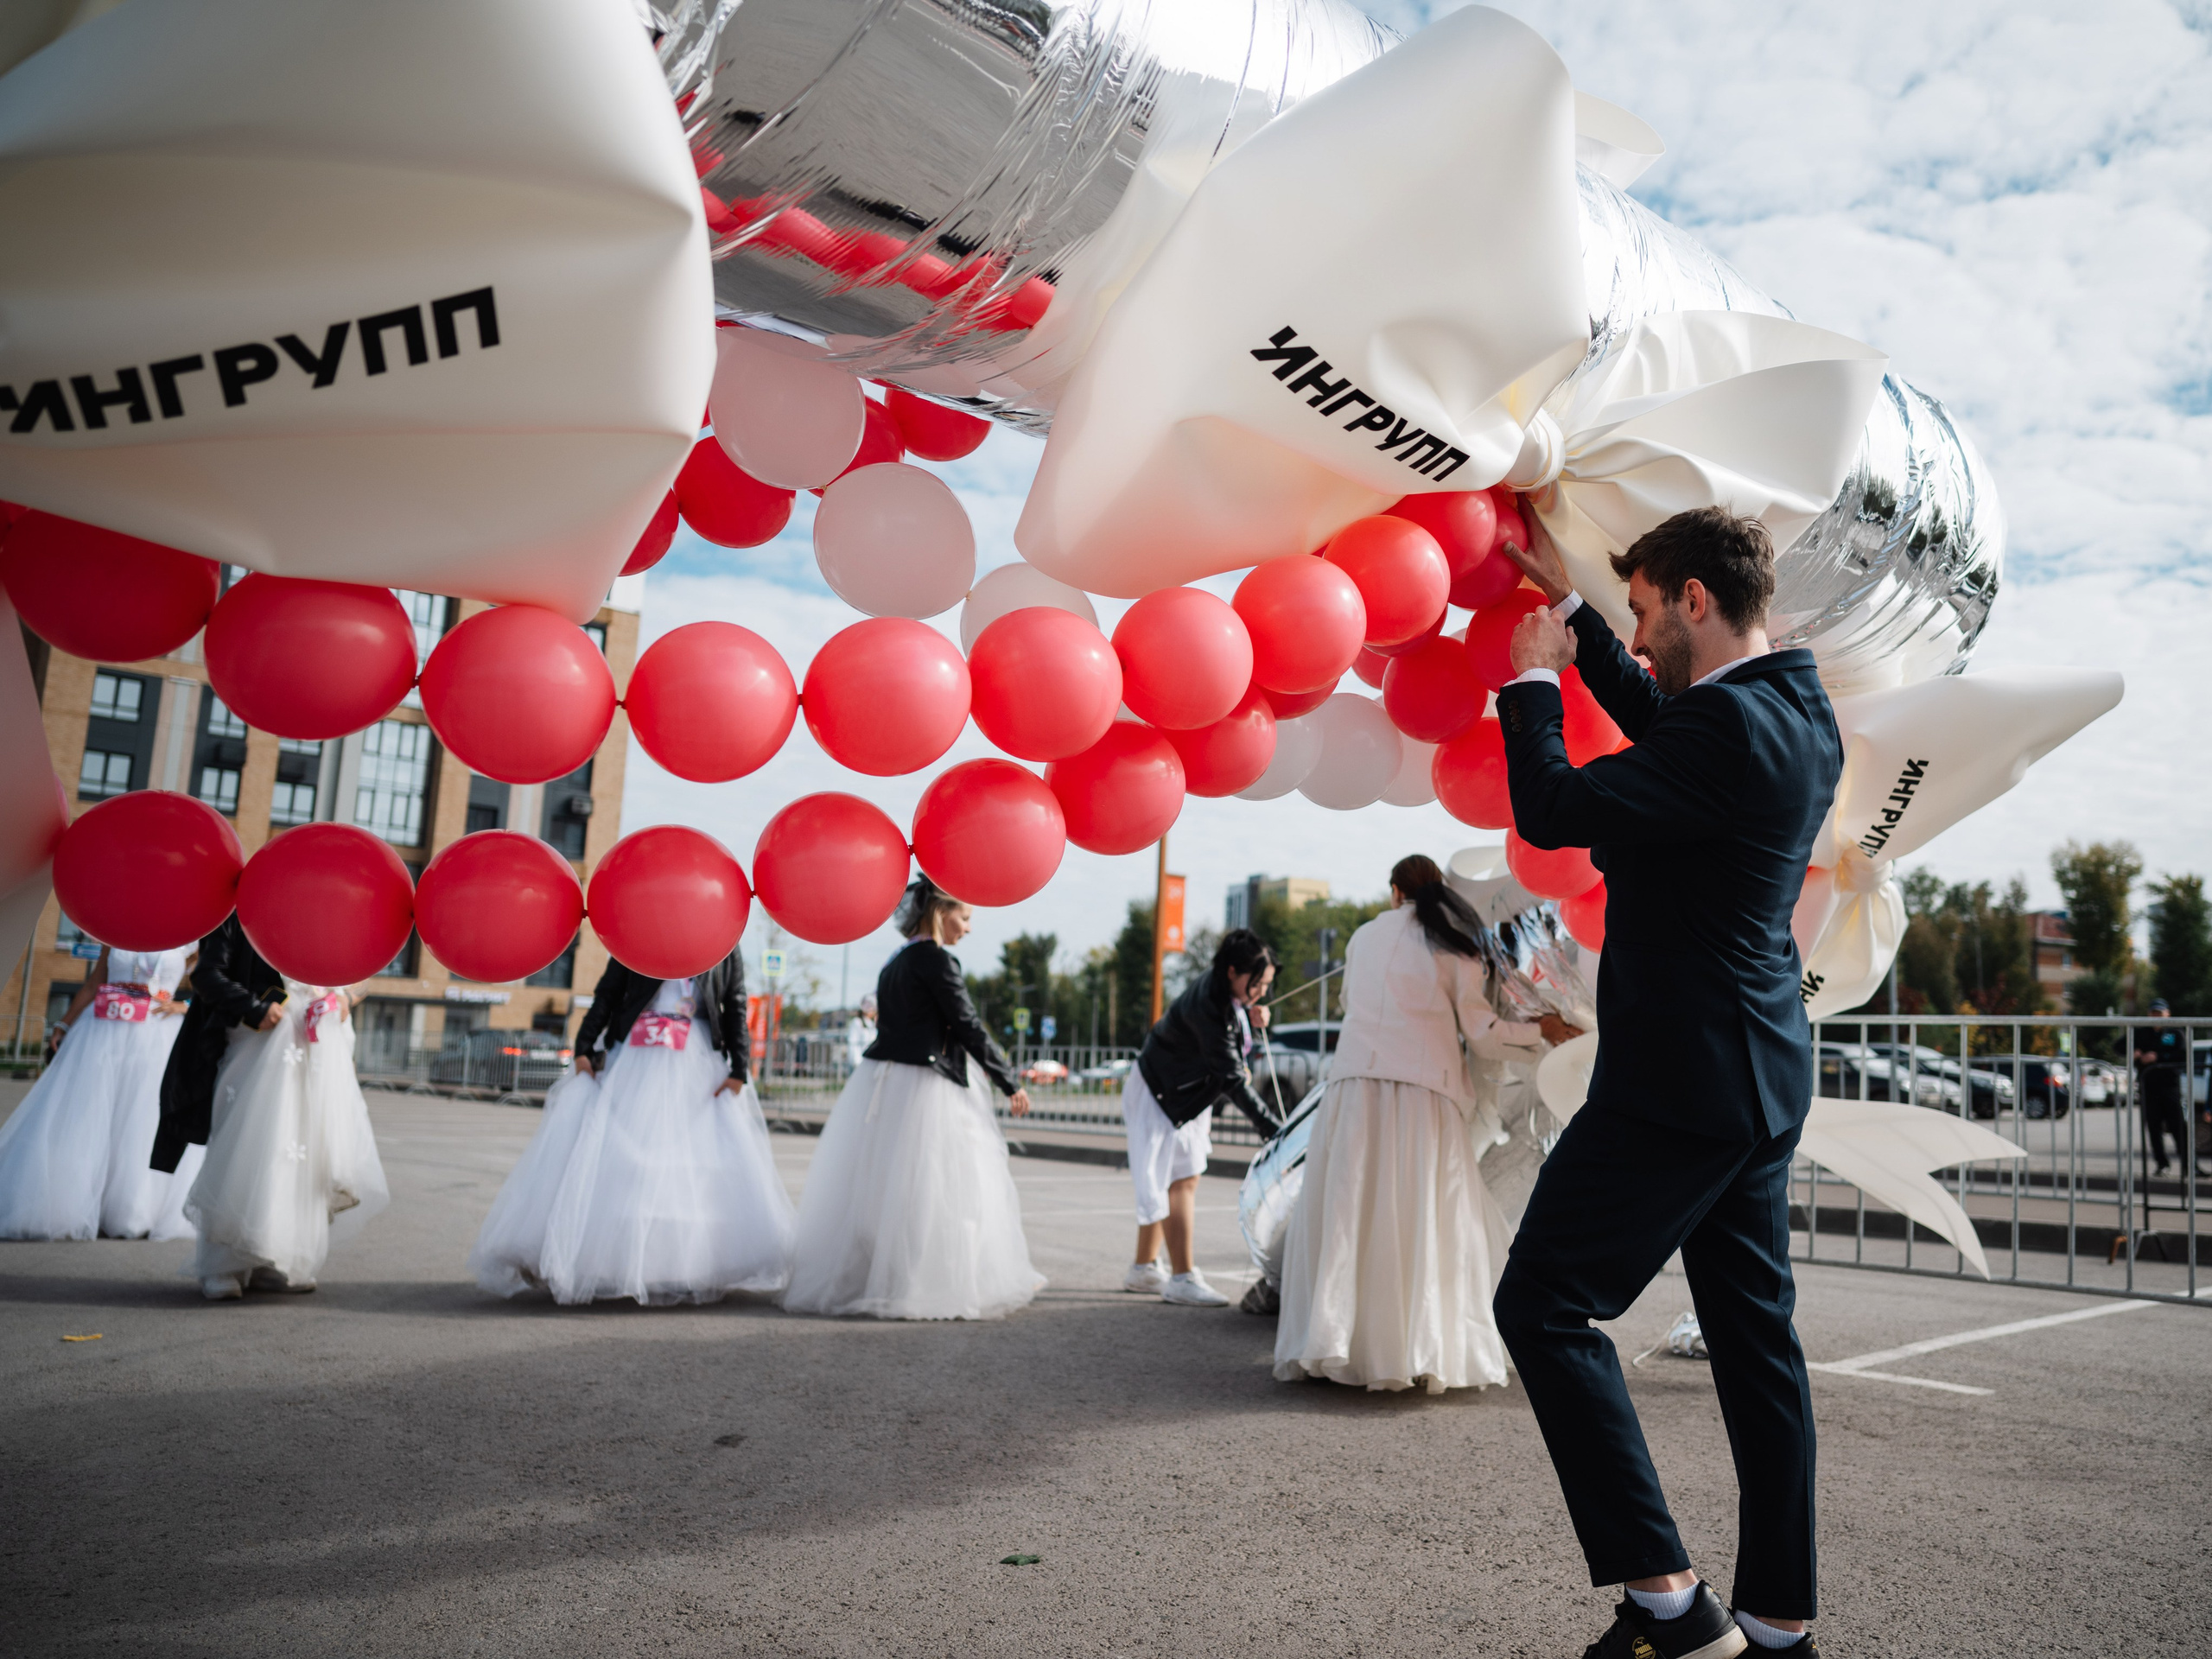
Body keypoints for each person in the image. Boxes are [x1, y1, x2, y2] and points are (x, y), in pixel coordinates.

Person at [1489, 507, 1842, 1657]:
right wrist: (1588, 621)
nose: (1635, 640)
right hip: (1763, 1077)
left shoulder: (1727, 730)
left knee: (1543, 1304)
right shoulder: (1799, 710)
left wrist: (1536, 684)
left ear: (1695, 599)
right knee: (1756, 1346)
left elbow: (1554, 807)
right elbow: (1676, 724)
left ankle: (1670, 1608)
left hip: (1681, 1081)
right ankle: (1780, 1624)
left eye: (1644, 612)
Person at [1274, 856, 1578, 1393]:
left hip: (1353, 1088)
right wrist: (1544, 1031)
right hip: (1422, 1092)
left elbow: (1354, 1006)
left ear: (1395, 892)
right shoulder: (1456, 945)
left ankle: (1331, 1343)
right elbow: (1482, 1034)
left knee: (1350, 1217)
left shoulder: (1363, 937)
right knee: (1420, 1218)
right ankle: (1415, 1348)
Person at [470, 946, 791, 1306]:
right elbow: (608, 992)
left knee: (693, 1166)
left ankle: (684, 1265)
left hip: (698, 1063)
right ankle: (612, 1264)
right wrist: (583, 1046)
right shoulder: (638, 930)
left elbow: (734, 1003)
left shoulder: (724, 942)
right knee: (625, 1159)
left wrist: (739, 1068)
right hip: (637, 1055)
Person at [783, 877, 1044, 1320]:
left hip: (884, 1080)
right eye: (965, 916)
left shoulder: (896, 962)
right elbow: (966, 1023)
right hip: (926, 1083)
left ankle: (876, 1277)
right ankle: (919, 1282)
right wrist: (1008, 1080)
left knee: (883, 1186)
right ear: (940, 912)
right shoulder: (936, 961)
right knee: (936, 1186)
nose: (968, 927)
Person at [185, 976, 390, 1299]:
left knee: (302, 1153)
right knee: (249, 1142)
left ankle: (276, 1259)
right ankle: (224, 1263)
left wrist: (346, 997)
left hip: (319, 1039)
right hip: (263, 1033)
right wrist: (253, 1009)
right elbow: (211, 971)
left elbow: (365, 974)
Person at [1120, 928, 1281, 1307]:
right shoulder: (1209, 1004)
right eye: (1256, 983)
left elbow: (1233, 1052)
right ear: (1231, 971)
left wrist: (1253, 1018)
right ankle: (1181, 1277)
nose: (1260, 991)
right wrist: (1273, 1131)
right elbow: (1231, 1075)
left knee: (1177, 1178)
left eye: (1266, 985)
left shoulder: (1227, 994)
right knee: (1180, 1180)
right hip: (1162, 1094)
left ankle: (1144, 1268)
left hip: (1181, 1094)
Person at [0, 944, 201, 1240]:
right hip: (103, 1030)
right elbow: (94, 984)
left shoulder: (191, 938)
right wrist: (63, 1024)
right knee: (86, 1116)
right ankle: (72, 1203)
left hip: (156, 1036)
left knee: (141, 1121)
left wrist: (185, 1006)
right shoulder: (114, 929)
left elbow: (212, 982)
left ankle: (132, 1209)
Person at [153, 913, 284, 1181]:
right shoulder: (238, 913)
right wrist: (254, 1009)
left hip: (305, 1045)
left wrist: (340, 999)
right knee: (246, 1140)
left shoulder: (319, 918)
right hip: (248, 1041)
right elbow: (206, 973)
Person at [2133, 1001, 2188, 1176]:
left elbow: (2183, 1056)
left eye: (2160, 1013)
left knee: (2179, 1126)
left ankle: (2189, 1165)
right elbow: (2119, 1045)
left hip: (2170, 1087)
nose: (2156, 1016)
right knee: (2154, 1129)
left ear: (2168, 1014)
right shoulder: (2142, 1033)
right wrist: (2135, 1052)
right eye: (2153, 1013)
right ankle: (2162, 1164)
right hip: (2148, 1087)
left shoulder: (2175, 1032)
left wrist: (2158, 1057)